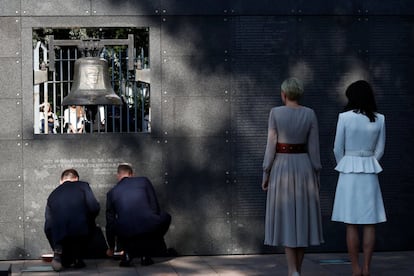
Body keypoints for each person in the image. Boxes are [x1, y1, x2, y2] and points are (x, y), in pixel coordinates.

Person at [262, 77, 324, 276]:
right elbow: (314, 148)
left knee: (289, 218)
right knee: (302, 219)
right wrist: (317, 172)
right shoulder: (310, 114)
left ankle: (292, 271)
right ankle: (297, 269)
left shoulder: (275, 113)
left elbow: (271, 145)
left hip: (282, 166)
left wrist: (266, 171)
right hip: (304, 167)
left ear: (284, 94)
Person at [331, 80, 386, 276]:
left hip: (349, 171)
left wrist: (346, 163)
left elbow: (338, 148)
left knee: (351, 222)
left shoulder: (344, 117)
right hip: (369, 170)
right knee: (370, 222)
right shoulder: (380, 119)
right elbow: (380, 150)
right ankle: (367, 268)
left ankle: (355, 269)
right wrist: (368, 162)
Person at [106, 164, 171, 267]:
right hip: (147, 226)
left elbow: (110, 221)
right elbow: (154, 206)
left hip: (125, 230)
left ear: (118, 176)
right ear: (132, 174)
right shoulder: (144, 181)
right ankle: (146, 253)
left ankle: (127, 253)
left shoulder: (111, 192)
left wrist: (111, 247)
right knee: (166, 217)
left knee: (117, 224)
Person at [44, 169, 100, 272]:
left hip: (59, 234)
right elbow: (94, 208)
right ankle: (77, 257)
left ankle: (58, 251)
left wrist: (54, 243)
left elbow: (48, 224)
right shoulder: (83, 186)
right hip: (80, 231)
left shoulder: (52, 195)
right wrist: (88, 220)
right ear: (76, 179)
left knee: (58, 231)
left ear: (61, 180)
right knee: (88, 226)